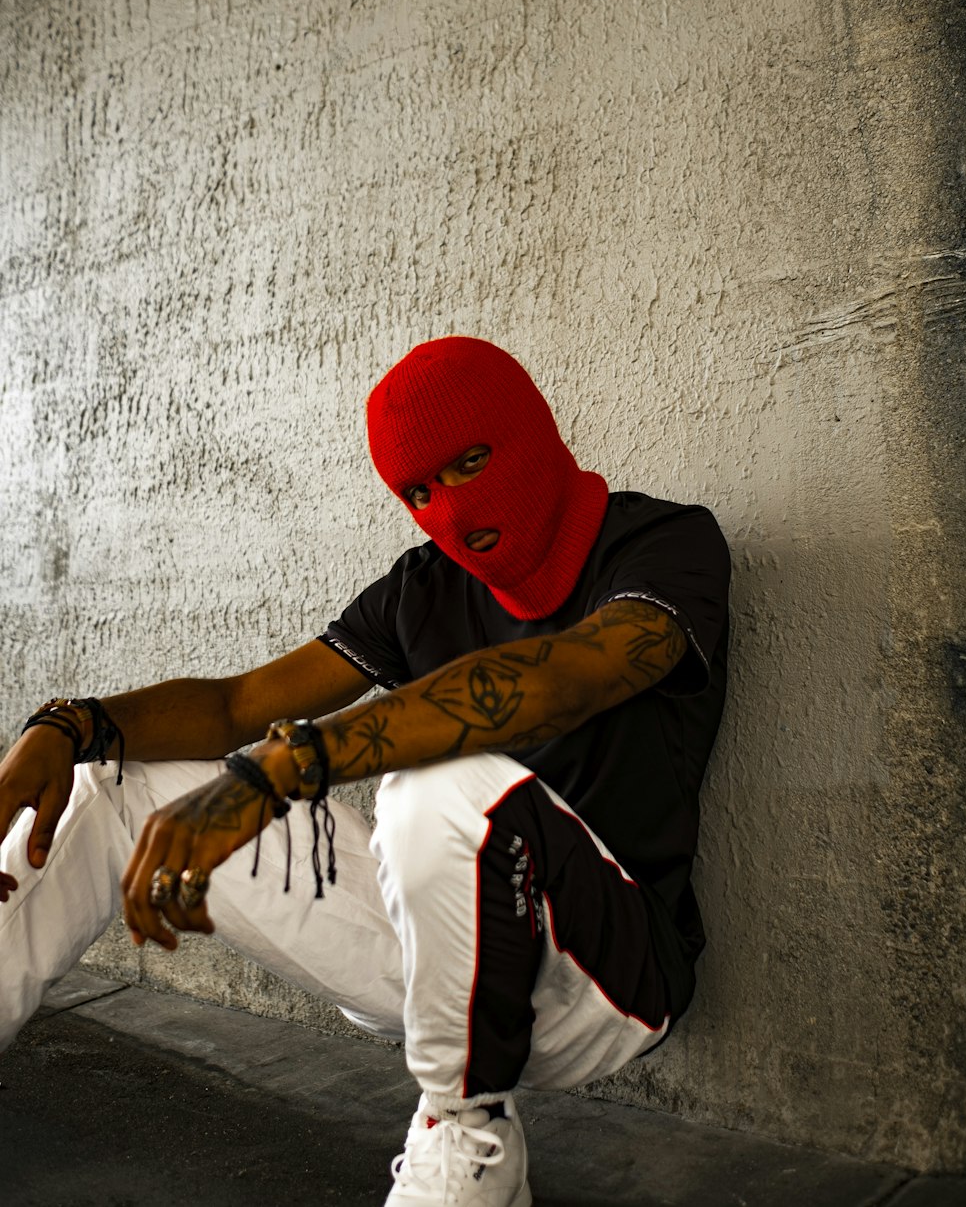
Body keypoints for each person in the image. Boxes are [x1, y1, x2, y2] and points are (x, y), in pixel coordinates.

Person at [0, 335, 730, 1207]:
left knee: (436, 783)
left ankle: (464, 1138)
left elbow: (565, 681)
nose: (449, 510)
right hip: (433, 961)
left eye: (468, 465)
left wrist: (288, 765)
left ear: (529, 432)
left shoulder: (664, 544)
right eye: (419, 492)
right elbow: (240, 703)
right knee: (113, 780)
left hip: (601, 986)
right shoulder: (423, 586)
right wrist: (69, 723)